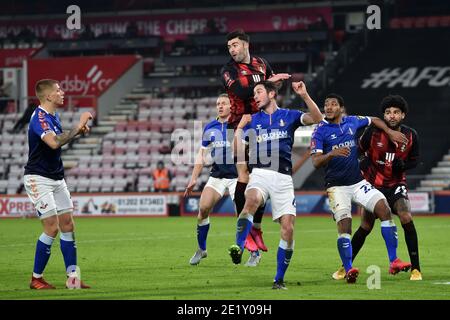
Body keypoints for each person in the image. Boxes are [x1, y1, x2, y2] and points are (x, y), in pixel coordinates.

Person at [228, 80, 323, 289]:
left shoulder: (289, 116)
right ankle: (240, 246)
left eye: (258, 91)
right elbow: (235, 151)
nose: (255, 96)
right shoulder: (252, 120)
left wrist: (305, 95)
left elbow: (318, 118)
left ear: (271, 94)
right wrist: (240, 128)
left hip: (283, 179)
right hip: (260, 173)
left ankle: (279, 279)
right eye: (254, 93)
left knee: (288, 230)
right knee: (250, 200)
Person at [310, 93, 412, 284]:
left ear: (341, 108)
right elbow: (315, 162)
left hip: (357, 182)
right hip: (337, 187)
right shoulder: (319, 131)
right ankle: (348, 268)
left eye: (333, 104)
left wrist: (390, 132)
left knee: (384, 209)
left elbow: (374, 120)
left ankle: (394, 261)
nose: (329, 108)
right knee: (345, 227)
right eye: (326, 105)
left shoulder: (352, 121)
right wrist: (331, 153)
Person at [332, 95, 422, 281]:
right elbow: (359, 150)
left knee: (405, 216)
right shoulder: (372, 131)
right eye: (388, 112)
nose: (392, 116)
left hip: (396, 184)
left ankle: (416, 269)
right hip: (372, 186)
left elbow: (414, 161)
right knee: (366, 225)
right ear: (384, 115)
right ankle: (344, 267)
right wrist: (360, 164)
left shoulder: (411, 135)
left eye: (396, 112)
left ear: (403, 115)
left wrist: (402, 166)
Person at [221, 29, 291, 253]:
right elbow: (242, 92)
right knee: (244, 175)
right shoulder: (228, 70)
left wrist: (274, 84)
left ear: (245, 45)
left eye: (235, 45)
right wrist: (269, 81)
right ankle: (248, 233)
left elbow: (270, 89)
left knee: (261, 176)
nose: (232, 50)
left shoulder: (261, 63)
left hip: (261, 124)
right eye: (229, 46)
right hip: (239, 125)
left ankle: (256, 229)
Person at [24, 79, 92, 289]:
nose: (62, 92)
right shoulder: (40, 118)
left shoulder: (53, 116)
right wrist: (78, 127)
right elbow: (53, 142)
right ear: (48, 96)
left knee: (68, 225)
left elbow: (59, 139)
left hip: (56, 177)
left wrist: (78, 132)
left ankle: (73, 279)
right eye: (58, 90)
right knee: (52, 227)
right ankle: (36, 278)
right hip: (38, 178)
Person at [185, 94, 260, 266]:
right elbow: (201, 154)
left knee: (242, 214)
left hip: (238, 177)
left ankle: (254, 252)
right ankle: (202, 250)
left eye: (223, 103)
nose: (220, 106)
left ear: (231, 106)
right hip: (217, 175)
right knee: (203, 209)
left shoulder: (241, 124)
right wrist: (193, 178)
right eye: (218, 103)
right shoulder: (210, 127)